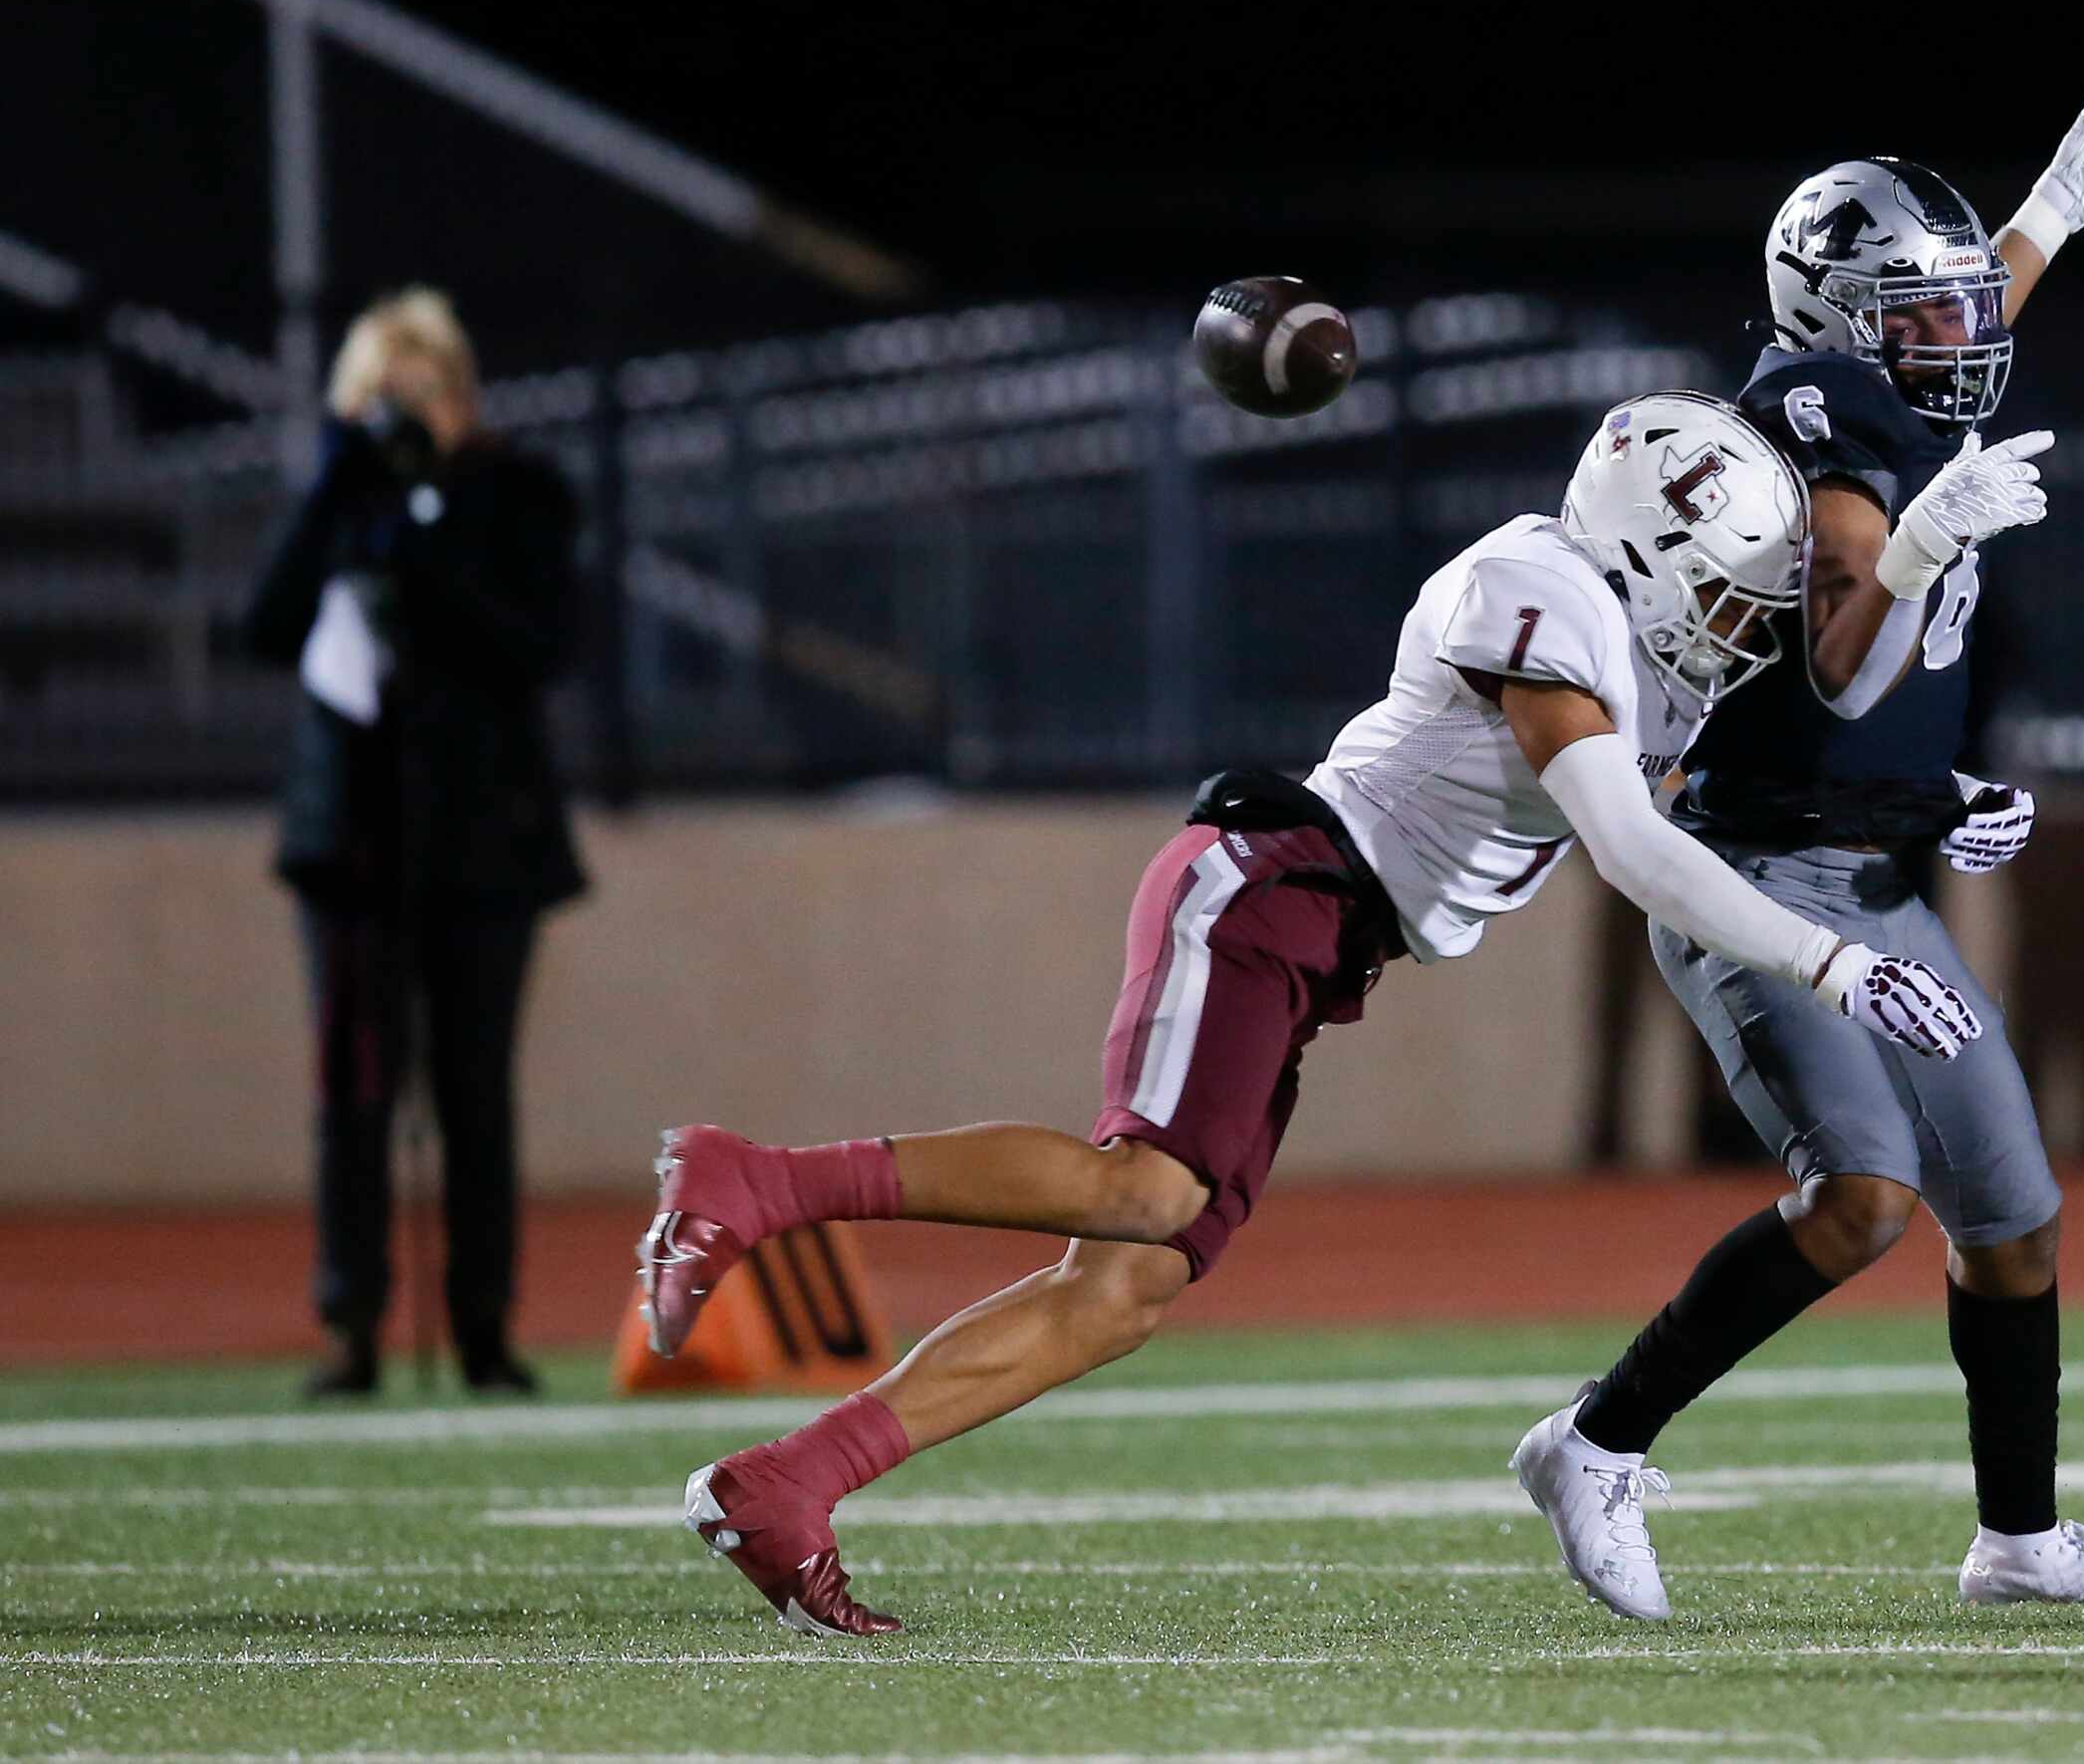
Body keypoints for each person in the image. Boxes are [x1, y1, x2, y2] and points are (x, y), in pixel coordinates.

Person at [640, 391, 1990, 1638]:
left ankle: (786, 1484)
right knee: (1147, 1190)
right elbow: (1631, 845)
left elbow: (1725, 795)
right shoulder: (1536, 591)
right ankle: (750, 1179)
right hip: (1271, 876)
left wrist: (1927, 799)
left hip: (1326, 934)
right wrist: (1832, 963)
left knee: (1124, 1289)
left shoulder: (1641, 646)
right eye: (1718, 586)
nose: (1734, 622)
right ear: (1644, 544)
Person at [1513, 68, 2084, 1628]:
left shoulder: (1881, 377)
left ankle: (2017, 1540)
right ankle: (1594, 1439)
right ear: (1835, 320)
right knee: (1862, 1197)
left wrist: (2052, 209)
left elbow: (1940, 321)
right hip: (1752, 880)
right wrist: (1915, 545)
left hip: (1871, 863)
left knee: (2012, 1220)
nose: (1964, 333)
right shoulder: (1813, 424)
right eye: (1924, 313)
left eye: (1959, 307)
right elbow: (1833, 656)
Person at [239, 286, 588, 1398]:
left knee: (475, 1090)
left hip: (487, 838)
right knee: (355, 1087)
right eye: (379, 400)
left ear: (463, 398)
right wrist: (339, 494)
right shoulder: (336, 504)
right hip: (352, 844)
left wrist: (434, 552)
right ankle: (350, 1324)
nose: (400, 419)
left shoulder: (520, 496)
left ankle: (485, 1328)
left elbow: (539, 648)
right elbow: (265, 627)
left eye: (421, 395)